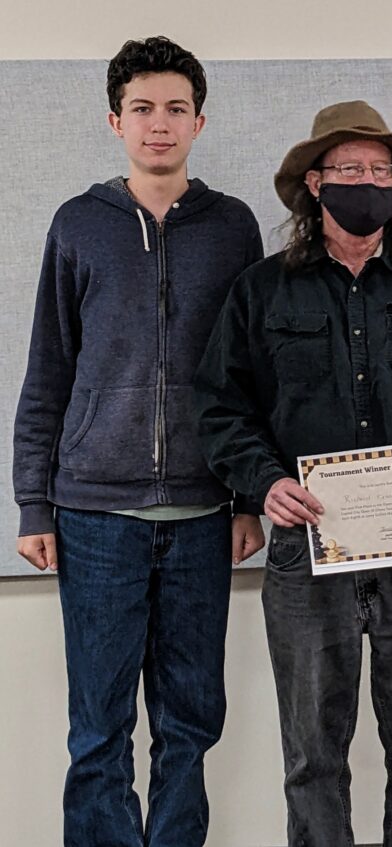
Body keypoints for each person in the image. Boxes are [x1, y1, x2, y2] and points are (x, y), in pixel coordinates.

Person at [193, 100, 392, 846]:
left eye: (380, 169)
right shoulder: (261, 292)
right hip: (307, 553)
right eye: (349, 169)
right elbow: (220, 405)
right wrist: (264, 481)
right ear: (315, 184)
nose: (367, 181)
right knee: (312, 756)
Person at [12, 36, 265, 847]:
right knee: (99, 726)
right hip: (93, 515)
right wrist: (32, 503)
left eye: (176, 110)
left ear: (200, 121)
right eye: (143, 109)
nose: (160, 124)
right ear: (115, 121)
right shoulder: (79, 225)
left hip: (202, 514)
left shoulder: (232, 228)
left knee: (191, 721)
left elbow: (255, 374)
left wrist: (250, 494)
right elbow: (48, 369)